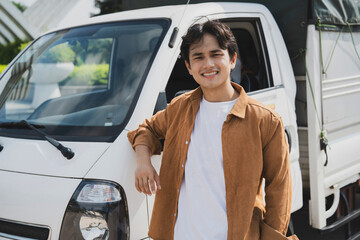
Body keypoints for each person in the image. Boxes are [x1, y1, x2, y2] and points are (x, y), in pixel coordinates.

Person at [127, 20, 297, 240]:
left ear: (232, 59)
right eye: (198, 57)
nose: (208, 64)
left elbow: (280, 189)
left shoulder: (265, 120)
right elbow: (146, 129)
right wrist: (143, 161)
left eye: (216, 54)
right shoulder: (180, 108)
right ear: (189, 67)